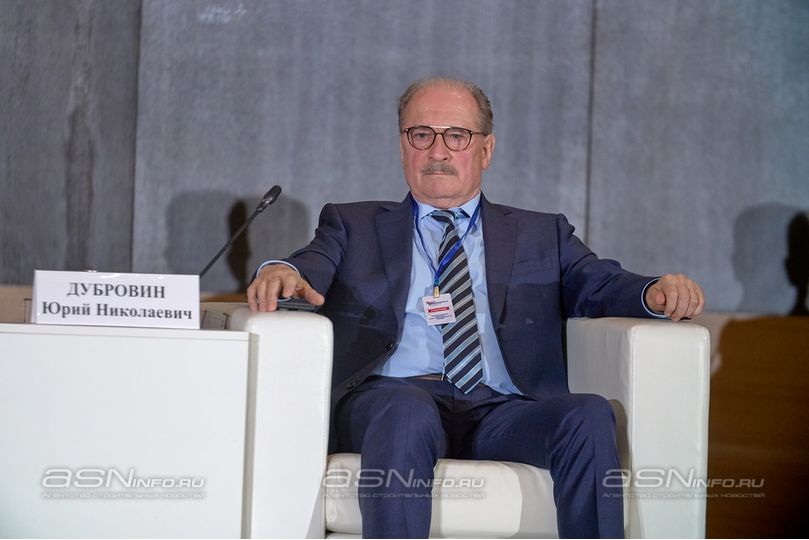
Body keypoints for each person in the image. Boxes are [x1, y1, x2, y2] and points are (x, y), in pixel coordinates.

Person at [247, 77, 705, 538]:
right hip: (393, 399)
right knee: (405, 411)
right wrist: (283, 272)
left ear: (486, 149)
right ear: (403, 147)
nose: (437, 151)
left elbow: (598, 281)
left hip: (501, 410)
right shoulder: (353, 224)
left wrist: (653, 291)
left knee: (587, 414)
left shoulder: (541, 233)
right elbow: (310, 265)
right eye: (421, 135)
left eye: (456, 136)